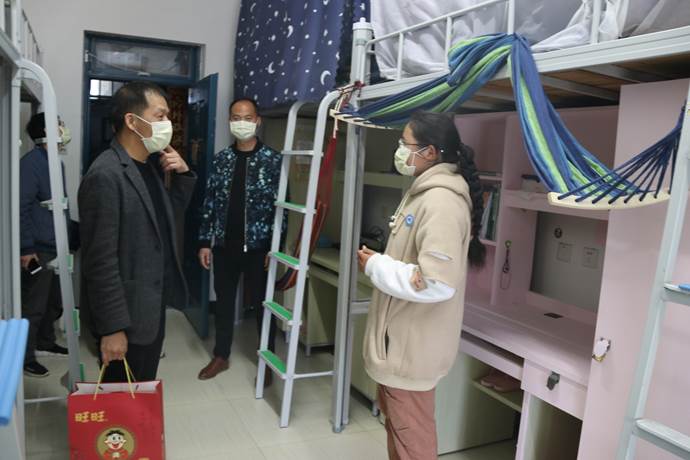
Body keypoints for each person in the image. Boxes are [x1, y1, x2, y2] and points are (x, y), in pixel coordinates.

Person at [357, 111, 486, 460]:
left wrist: (377, 265)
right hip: (401, 345)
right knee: (401, 435)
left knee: (413, 442)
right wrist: (381, 263)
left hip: (411, 350)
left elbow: (437, 283)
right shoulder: (423, 192)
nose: (400, 150)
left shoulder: (442, 202)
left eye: (405, 143)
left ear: (429, 152)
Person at [78, 81, 196, 382]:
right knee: (122, 399)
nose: (167, 124)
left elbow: (163, 221)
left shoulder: (147, 166)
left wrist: (183, 176)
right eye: (160, 116)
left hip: (148, 308)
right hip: (125, 318)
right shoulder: (106, 175)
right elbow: (99, 261)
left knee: (140, 392)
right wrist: (112, 328)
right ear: (132, 121)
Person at [197, 98, 281, 383]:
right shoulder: (221, 160)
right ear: (229, 121)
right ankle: (221, 356)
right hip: (224, 246)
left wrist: (275, 248)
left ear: (257, 120)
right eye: (235, 117)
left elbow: (282, 209)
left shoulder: (273, 160)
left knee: (262, 305)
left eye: (247, 117)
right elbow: (209, 202)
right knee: (223, 303)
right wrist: (204, 241)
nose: (241, 122)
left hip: (259, 248)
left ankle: (267, 359)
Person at [20, 113, 73, 377]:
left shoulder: (55, 163)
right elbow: (20, 207)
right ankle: (25, 356)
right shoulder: (30, 164)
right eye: (58, 125)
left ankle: (45, 341)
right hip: (38, 248)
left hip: (55, 244)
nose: (63, 129)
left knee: (53, 300)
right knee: (34, 305)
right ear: (45, 131)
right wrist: (26, 248)